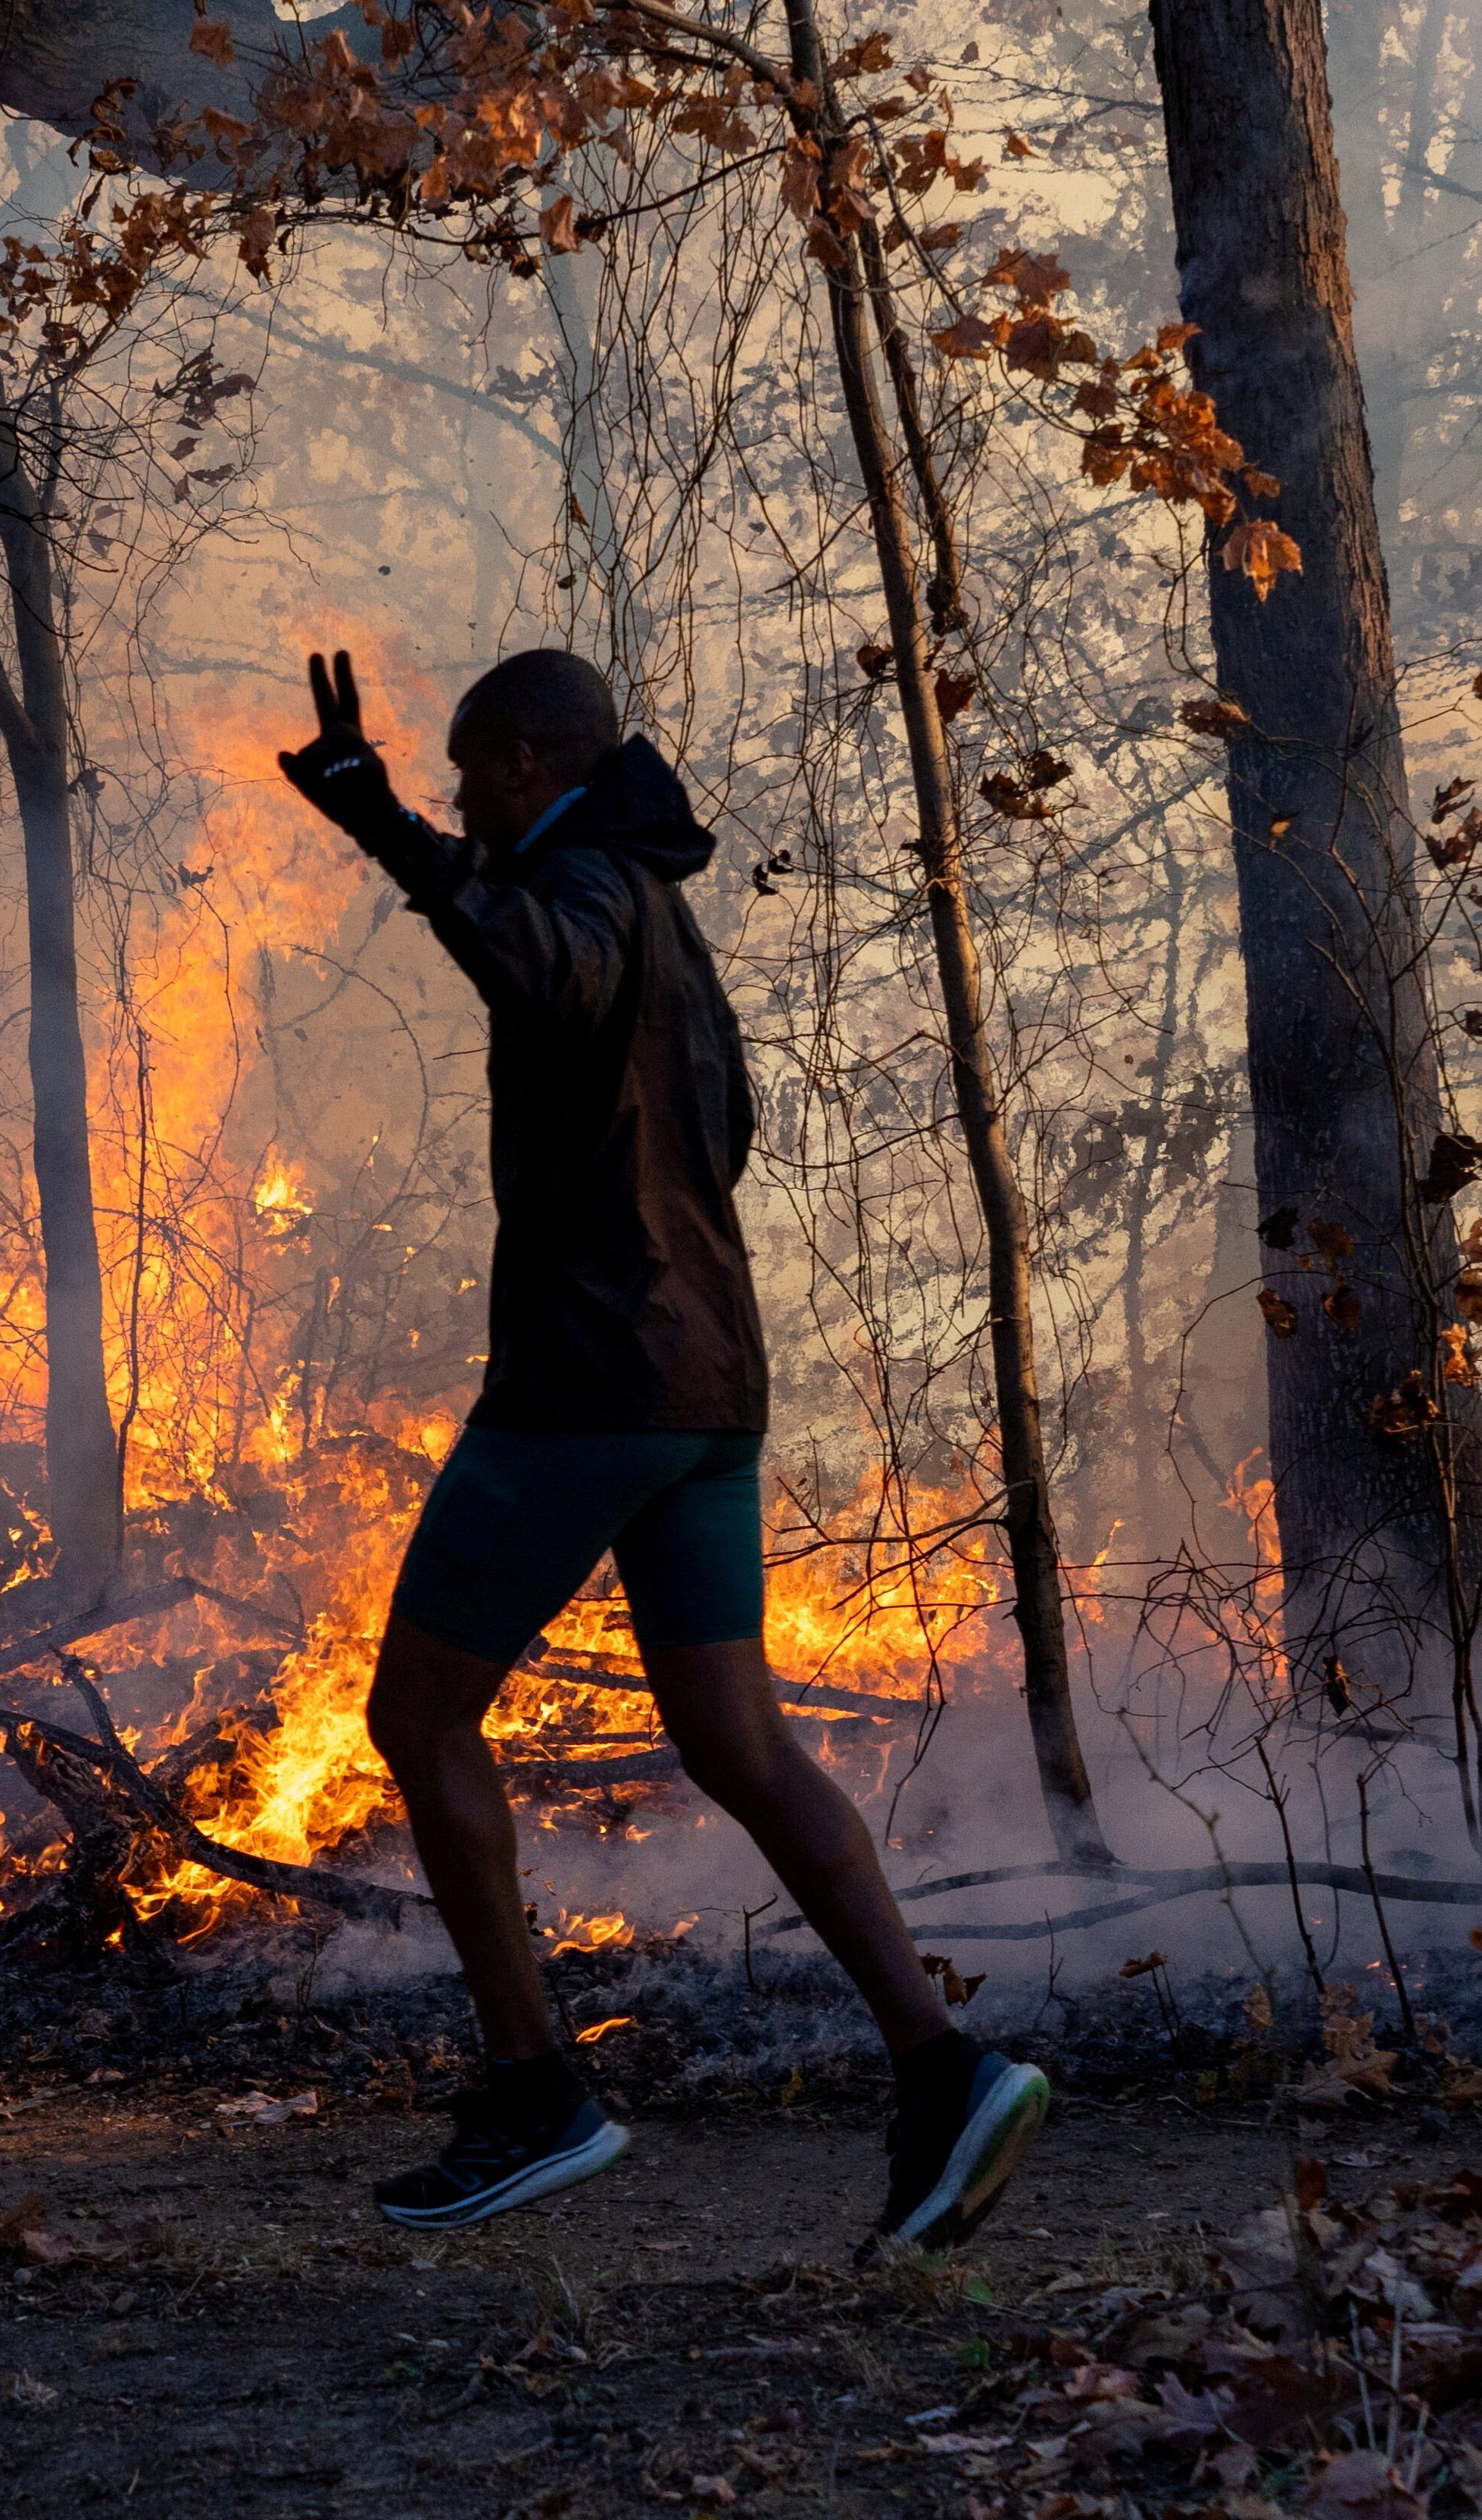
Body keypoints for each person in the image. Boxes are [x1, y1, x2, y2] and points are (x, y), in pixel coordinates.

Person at [275, 646, 1054, 2245]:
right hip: (709, 1387)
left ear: (538, 756)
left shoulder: (583, 887)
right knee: (738, 1742)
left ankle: (533, 2092)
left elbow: (534, 966)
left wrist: (387, 834)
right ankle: (943, 2065)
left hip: (593, 1384)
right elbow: (722, 1125)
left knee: (416, 1714)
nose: (464, 800)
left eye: (476, 773)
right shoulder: (663, 910)